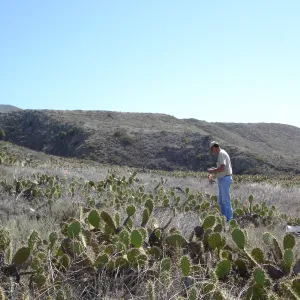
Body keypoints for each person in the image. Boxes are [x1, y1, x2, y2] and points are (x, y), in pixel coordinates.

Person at [207, 141, 233, 222]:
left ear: (214, 147)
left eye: (212, 150)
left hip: (225, 179)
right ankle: (224, 218)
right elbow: (221, 169)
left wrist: (213, 171)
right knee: (222, 201)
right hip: (223, 179)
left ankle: (229, 220)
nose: (212, 152)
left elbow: (222, 168)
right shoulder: (221, 154)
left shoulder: (221, 153)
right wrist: (214, 172)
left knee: (225, 200)